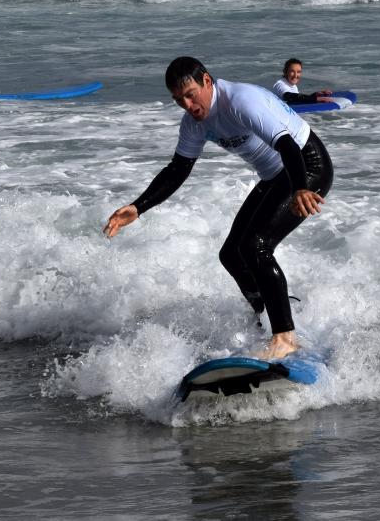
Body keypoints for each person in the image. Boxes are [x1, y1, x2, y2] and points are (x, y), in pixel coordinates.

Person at [104, 57, 334, 359]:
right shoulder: (194, 123)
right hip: (275, 176)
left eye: (190, 94)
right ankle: (266, 317)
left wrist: (301, 187)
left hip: (306, 166)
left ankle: (285, 338)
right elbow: (178, 169)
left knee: (256, 247)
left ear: (208, 82)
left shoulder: (240, 101)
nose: (186, 104)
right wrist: (138, 206)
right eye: (178, 99)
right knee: (232, 254)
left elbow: (288, 145)